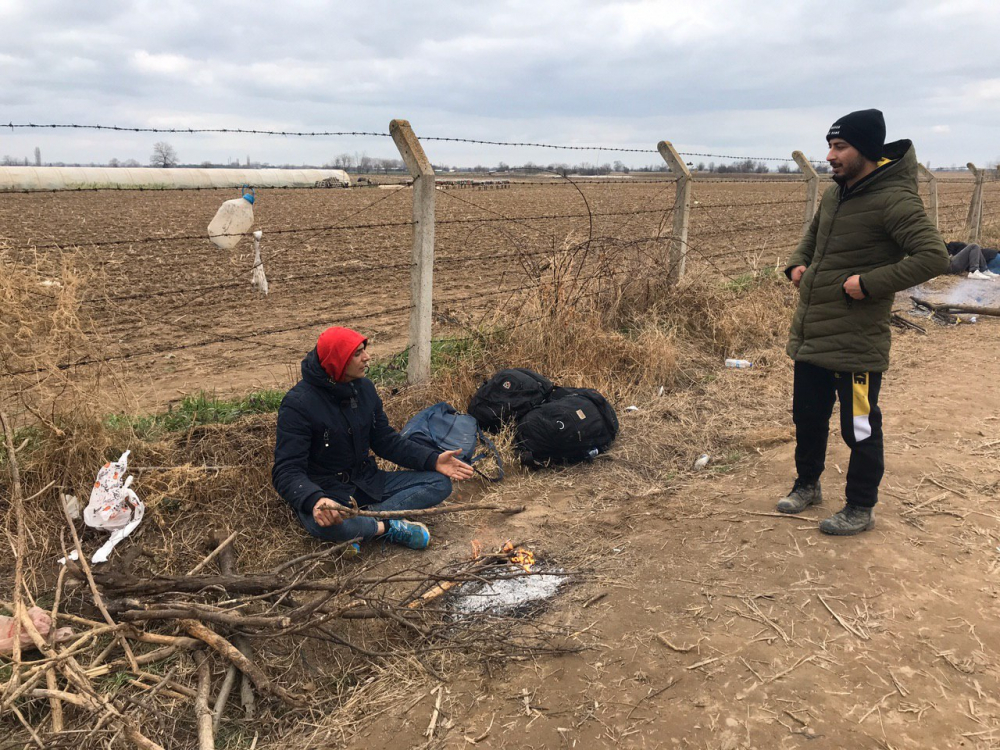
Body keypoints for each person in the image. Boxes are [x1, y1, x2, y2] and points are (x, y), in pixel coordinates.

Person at [779, 109, 949, 535]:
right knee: (808, 415)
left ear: (866, 151)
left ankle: (860, 506)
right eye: (830, 146)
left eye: (840, 147)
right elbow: (814, 234)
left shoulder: (895, 199)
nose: (830, 156)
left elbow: (933, 256)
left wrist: (870, 284)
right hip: (814, 333)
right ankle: (807, 485)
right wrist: (799, 261)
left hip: (857, 346)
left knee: (858, 424)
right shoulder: (836, 193)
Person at [272, 326, 474, 551]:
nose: (367, 357)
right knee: (324, 526)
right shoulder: (298, 404)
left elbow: (386, 441)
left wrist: (433, 460)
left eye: (364, 350)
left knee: (439, 483)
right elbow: (287, 471)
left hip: (367, 482)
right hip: (327, 492)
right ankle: (385, 528)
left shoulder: (364, 389)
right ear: (337, 361)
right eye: (357, 354)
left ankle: (358, 529)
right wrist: (316, 500)